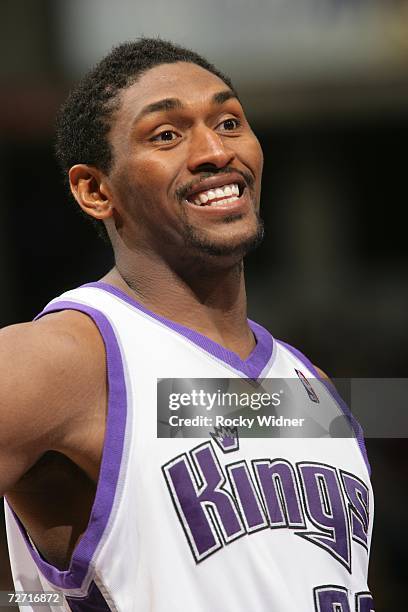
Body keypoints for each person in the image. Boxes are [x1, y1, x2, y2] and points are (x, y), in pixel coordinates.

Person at [1, 38, 375, 611]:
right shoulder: (62, 359)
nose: (214, 151)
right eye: (167, 135)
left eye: (228, 122)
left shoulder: (311, 390)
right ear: (95, 190)